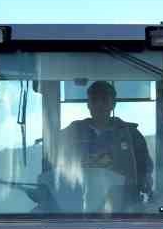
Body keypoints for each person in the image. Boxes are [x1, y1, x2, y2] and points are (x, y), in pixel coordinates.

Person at [60, 80, 152, 209]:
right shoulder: (72, 133)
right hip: (77, 210)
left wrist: (145, 181)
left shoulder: (131, 135)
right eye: (94, 100)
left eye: (104, 100)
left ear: (113, 104)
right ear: (88, 104)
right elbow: (53, 164)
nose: (99, 105)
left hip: (123, 211)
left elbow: (145, 170)